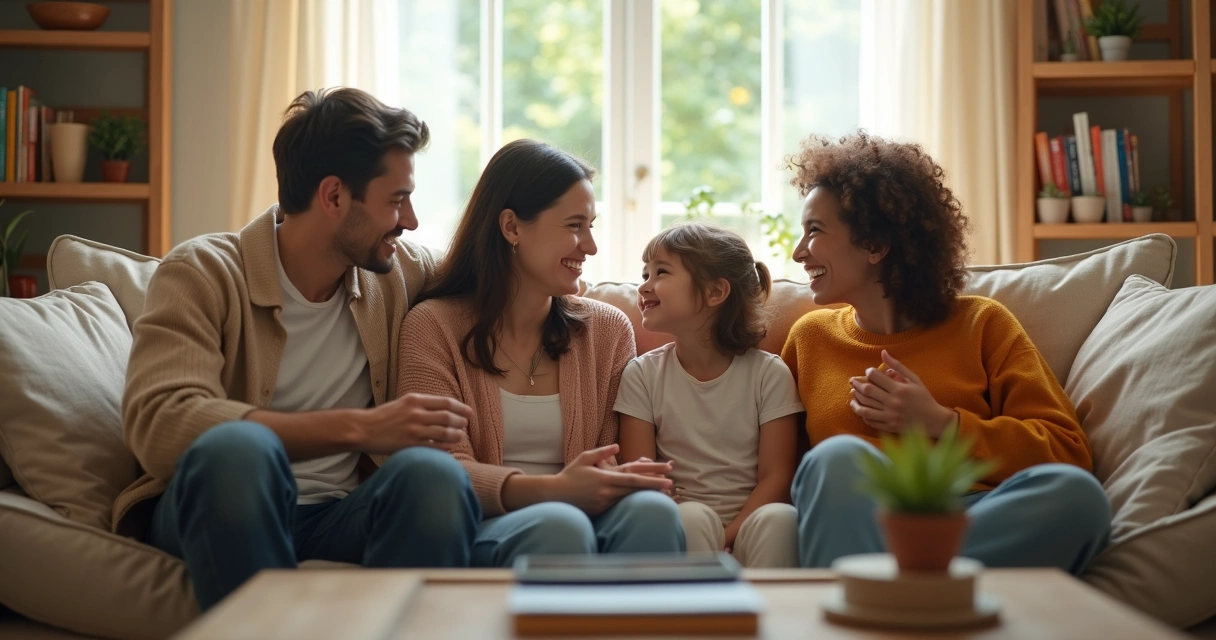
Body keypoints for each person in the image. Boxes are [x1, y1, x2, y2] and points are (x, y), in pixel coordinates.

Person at [118, 88, 480, 610]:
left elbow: (487, 276)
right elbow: (161, 421)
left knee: (435, 476)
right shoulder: (202, 272)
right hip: (222, 504)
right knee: (239, 451)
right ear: (333, 197)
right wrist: (359, 428)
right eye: (397, 200)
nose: (412, 220)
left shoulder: (395, 272)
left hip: (338, 514)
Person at [781, 132, 1111, 573]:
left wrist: (940, 422)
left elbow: (1069, 453)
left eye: (814, 231)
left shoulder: (982, 324)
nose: (798, 252)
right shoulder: (809, 339)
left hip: (974, 516)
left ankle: (890, 587)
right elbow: (781, 470)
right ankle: (916, 593)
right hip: (858, 522)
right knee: (835, 458)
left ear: (876, 246)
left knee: (1077, 497)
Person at [397, 138, 685, 568]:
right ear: (512, 227)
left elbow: (610, 458)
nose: (590, 246)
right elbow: (441, 474)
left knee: (654, 513)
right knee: (557, 524)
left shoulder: (606, 331)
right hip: (485, 524)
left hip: (584, 516)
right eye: (574, 225)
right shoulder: (433, 326)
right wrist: (555, 492)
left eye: (591, 225)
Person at [616, 222, 804, 567]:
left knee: (781, 519)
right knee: (692, 519)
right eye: (644, 273)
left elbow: (777, 478)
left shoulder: (769, 374)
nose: (643, 286)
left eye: (660, 272)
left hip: (750, 522)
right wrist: (704, 532)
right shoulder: (642, 375)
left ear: (715, 292)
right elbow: (644, 477)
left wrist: (727, 535)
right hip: (680, 517)